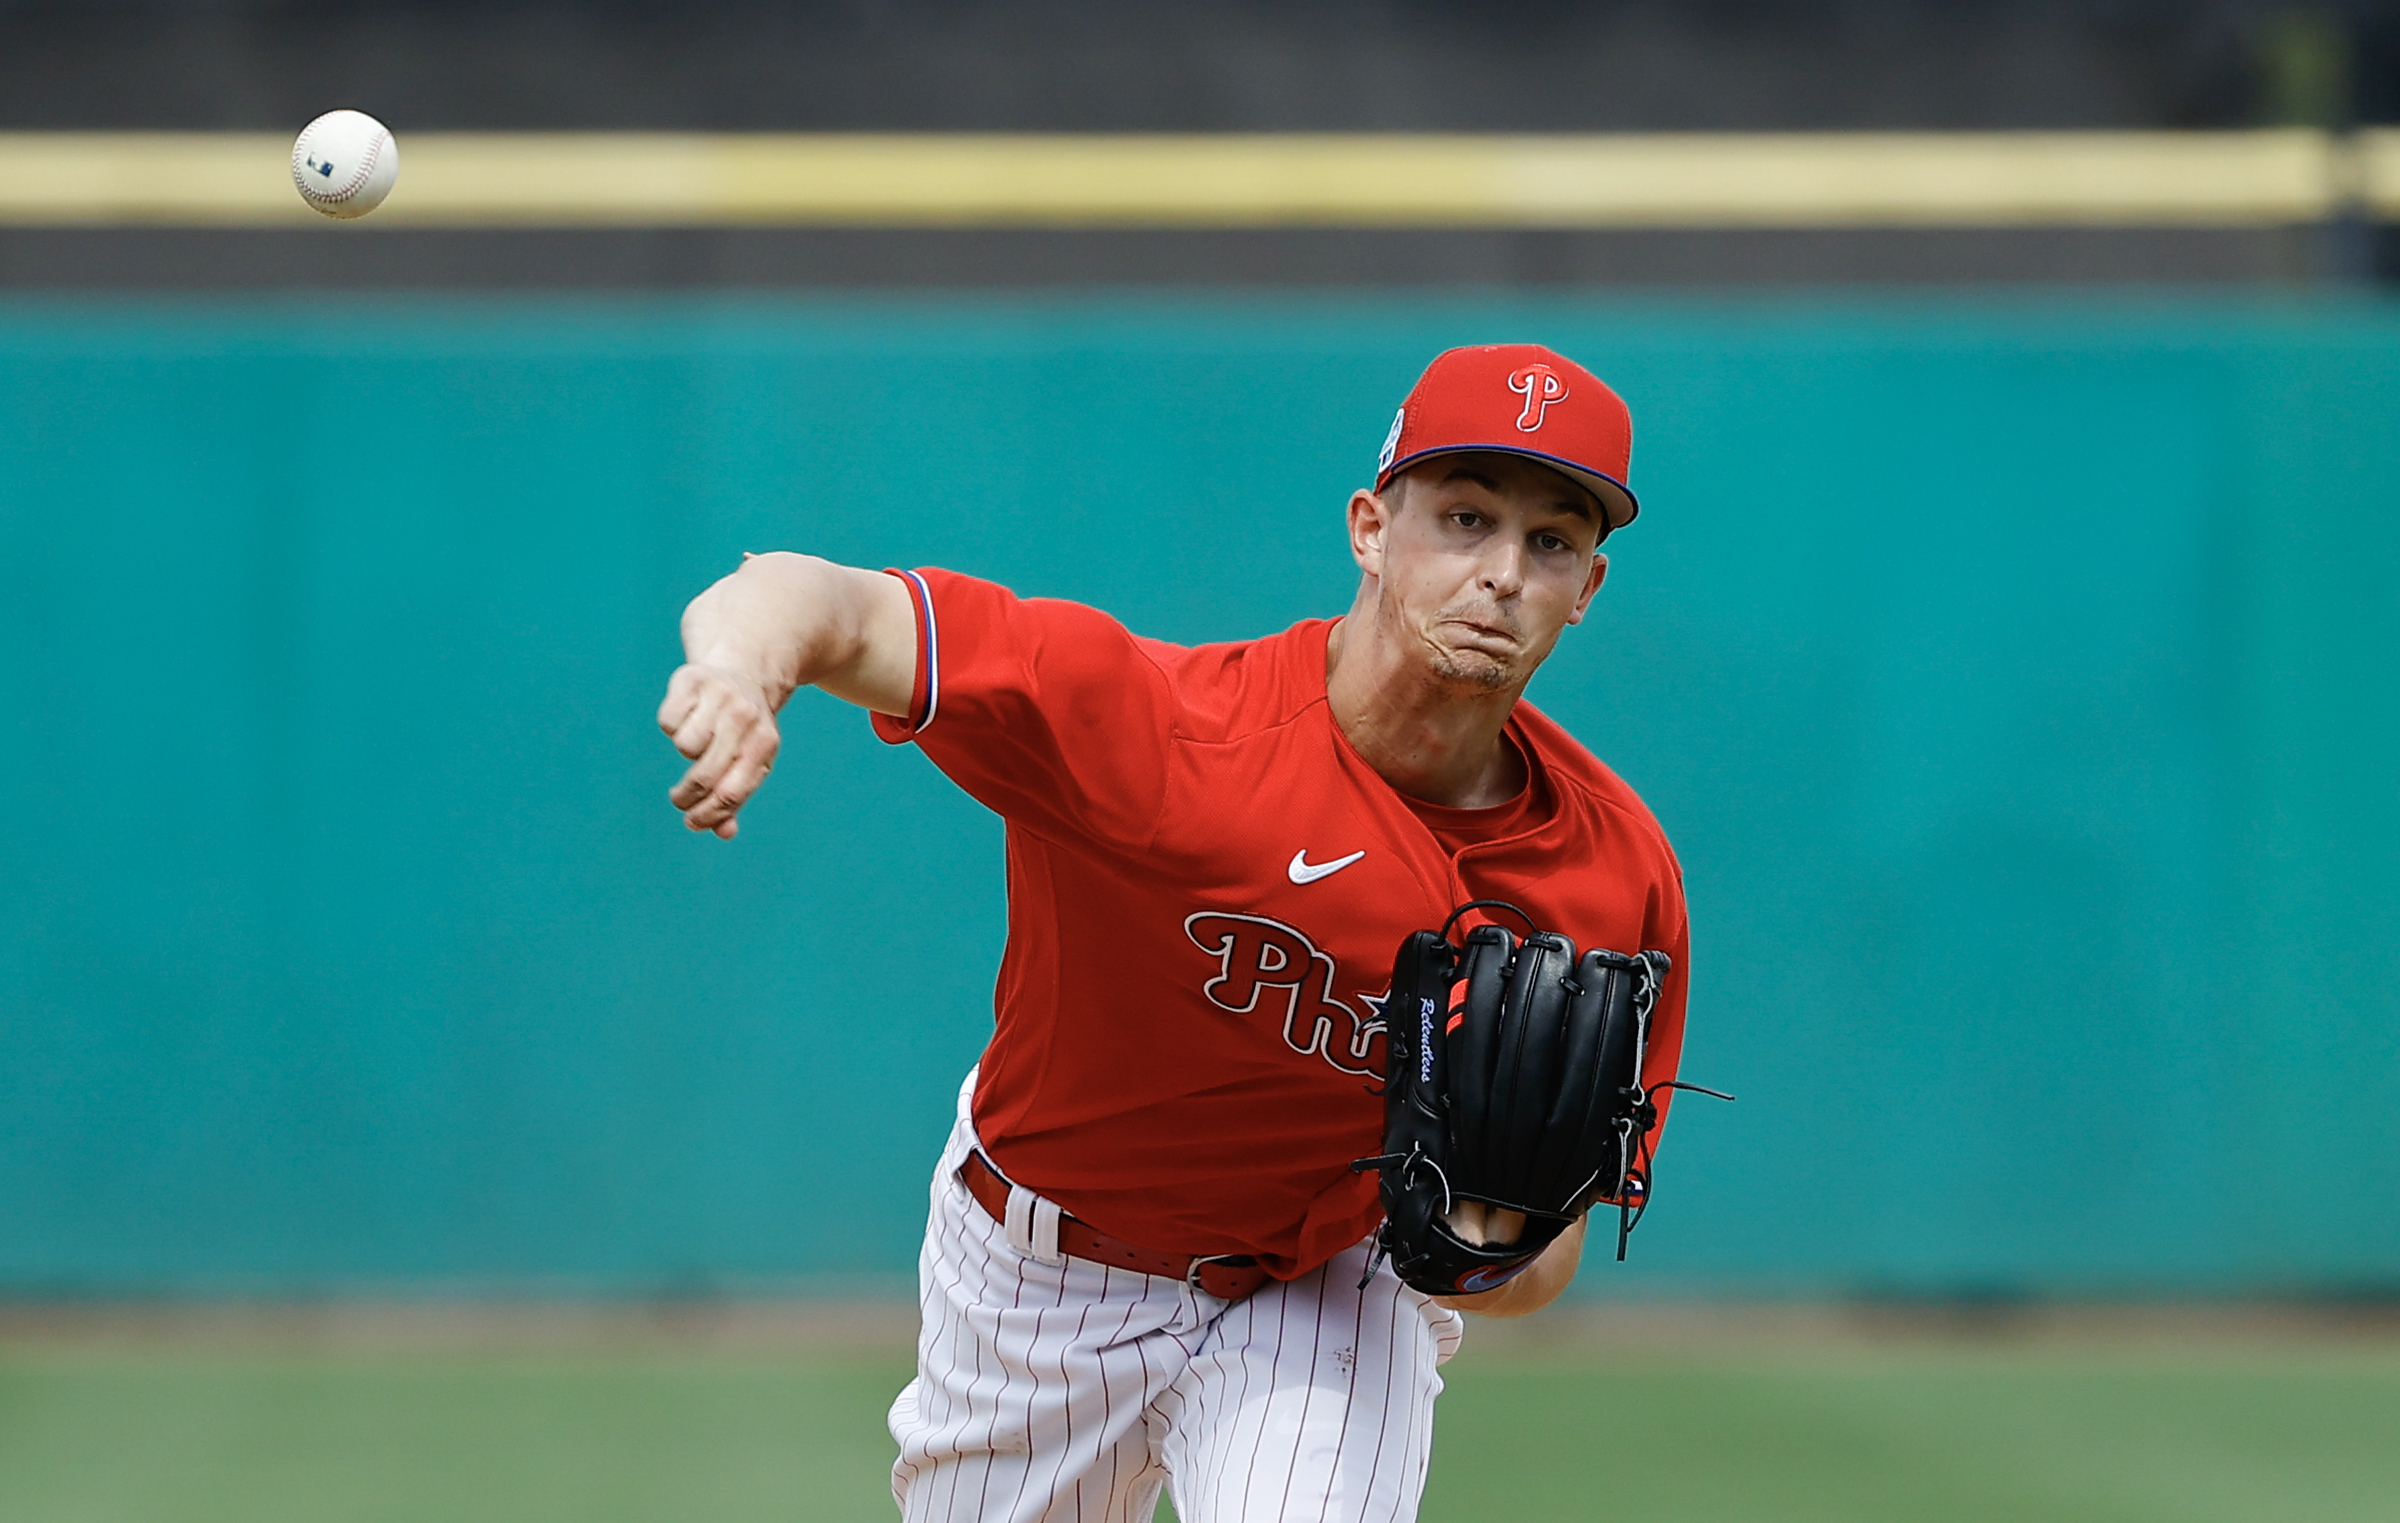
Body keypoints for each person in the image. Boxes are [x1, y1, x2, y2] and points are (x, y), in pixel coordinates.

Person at [656, 343, 1692, 1523]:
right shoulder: (1161, 729)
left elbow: (1541, 1261)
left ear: (1589, 585)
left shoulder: (1607, 877)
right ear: (1370, 528)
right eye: (1463, 516)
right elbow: (823, 599)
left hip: (1321, 1287)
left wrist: (1477, 1246)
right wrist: (739, 670)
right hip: (1039, 1275)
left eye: (1551, 541)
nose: (1502, 571)